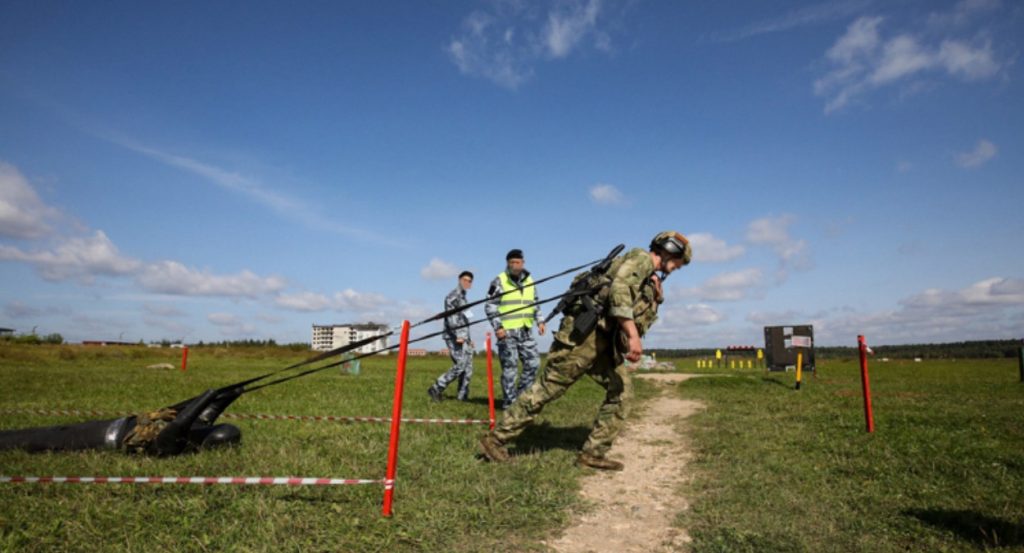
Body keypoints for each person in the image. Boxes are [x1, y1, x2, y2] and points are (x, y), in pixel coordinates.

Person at [479, 231, 692, 470]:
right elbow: (619, 290)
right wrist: (633, 336)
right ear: (668, 251)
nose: (675, 269)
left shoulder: (648, 276)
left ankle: (593, 453)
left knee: (621, 392)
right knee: (549, 388)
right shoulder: (641, 259)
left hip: (603, 341)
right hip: (584, 338)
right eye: (677, 263)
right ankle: (495, 440)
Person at [0, 388, 241, 455]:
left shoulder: (178, 443)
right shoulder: (200, 426)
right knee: (49, 430)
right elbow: (211, 409)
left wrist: (209, 394)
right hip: (109, 425)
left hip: (101, 439)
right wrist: (233, 392)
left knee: (36, 440)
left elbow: (182, 420)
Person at [485, 249, 546, 409]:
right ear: (507, 263)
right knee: (510, 368)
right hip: (507, 332)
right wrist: (498, 327)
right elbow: (490, 305)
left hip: (526, 330)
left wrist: (540, 321)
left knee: (533, 363)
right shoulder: (499, 281)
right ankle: (509, 403)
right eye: (511, 262)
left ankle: (521, 397)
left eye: (517, 262)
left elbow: (535, 302)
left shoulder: (530, 280)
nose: (514, 265)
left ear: (523, 263)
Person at [428, 271, 475, 402]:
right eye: (465, 280)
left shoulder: (464, 298)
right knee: (460, 365)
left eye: (469, 281)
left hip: (464, 338)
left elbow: (465, 320)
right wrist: (459, 335)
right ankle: (436, 388)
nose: (467, 283)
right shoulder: (453, 296)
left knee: (468, 368)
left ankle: (462, 396)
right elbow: (451, 318)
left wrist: (469, 339)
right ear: (459, 280)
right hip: (454, 337)